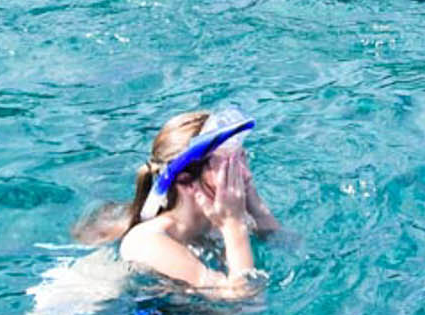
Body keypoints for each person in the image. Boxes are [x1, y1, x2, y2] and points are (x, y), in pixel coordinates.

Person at [70, 109, 279, 296]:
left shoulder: (215, 221)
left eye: (242, 159)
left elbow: (287, 246)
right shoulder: (147, 242)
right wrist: (233, 226)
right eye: (229, 167)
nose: (246, 173)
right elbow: (243, 302)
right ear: (184, 179)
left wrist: (255, 206)